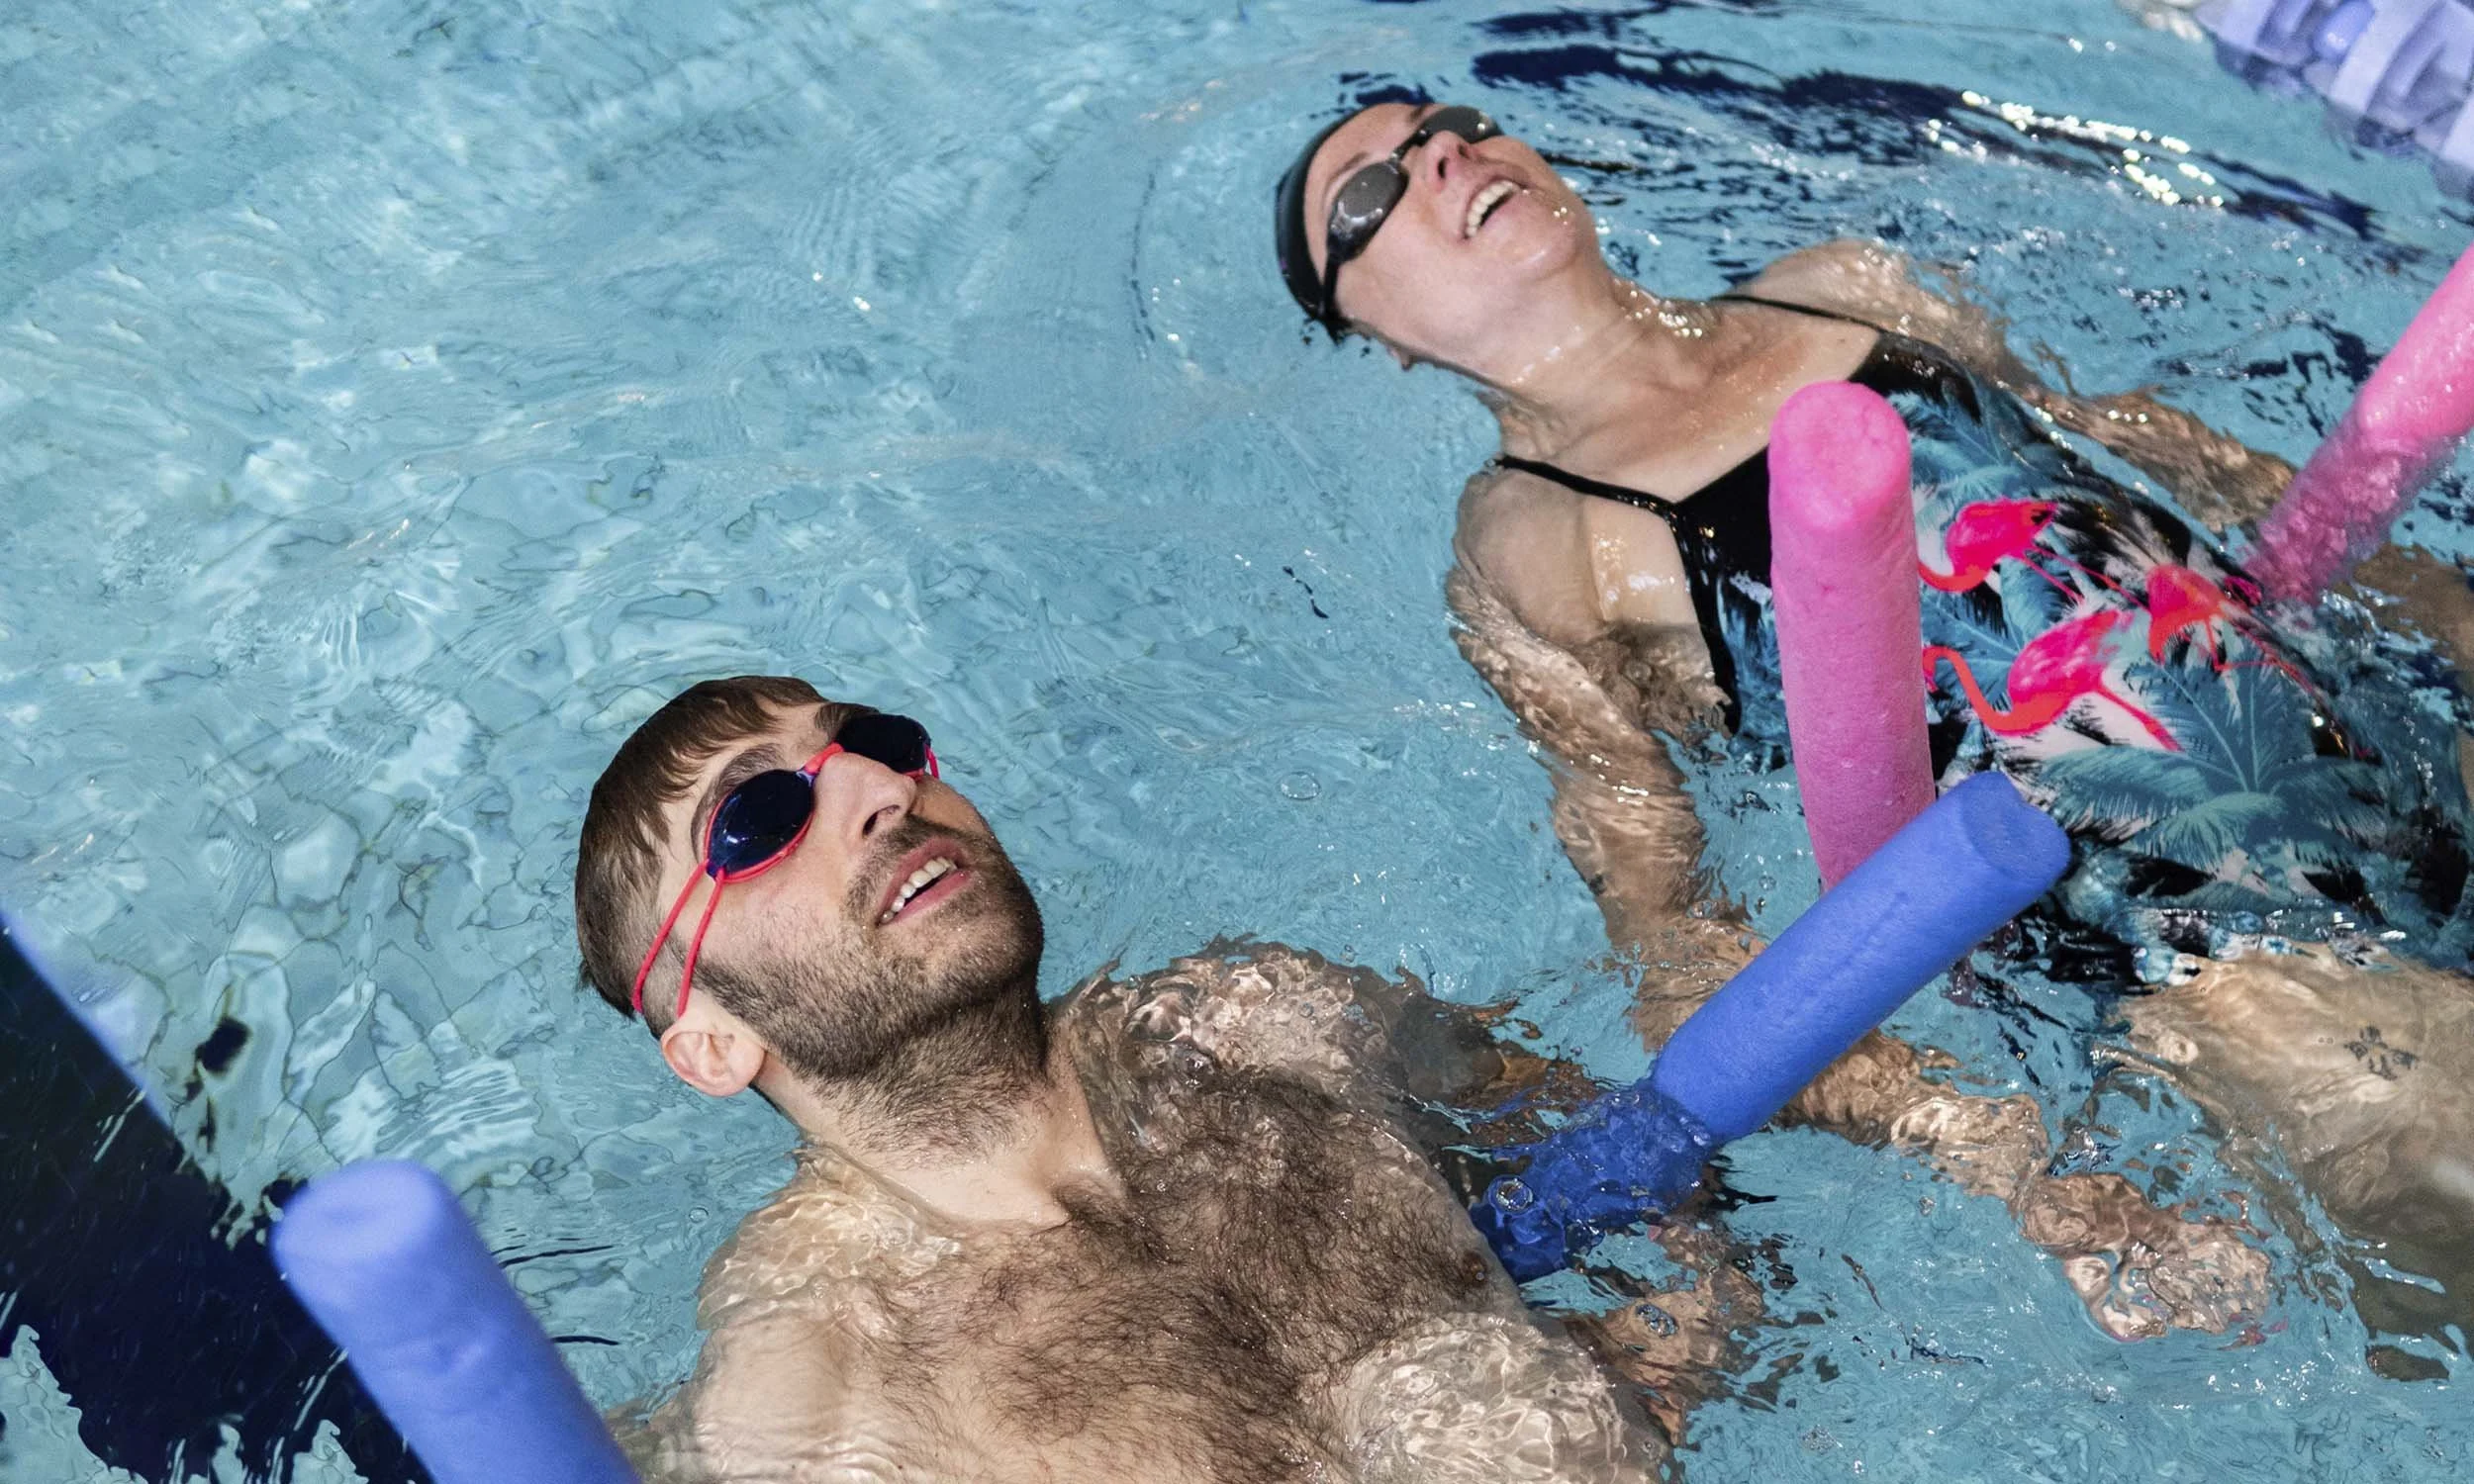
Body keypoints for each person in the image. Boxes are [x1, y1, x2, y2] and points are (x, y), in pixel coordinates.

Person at [1272, 100, 2474, 1342]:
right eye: (1367, 194)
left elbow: (2171, 456)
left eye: (1448, 122)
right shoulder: (1538, 548)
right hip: (2204, 956)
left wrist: (2455, 622)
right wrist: (2022, 1170)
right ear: (1374, 336)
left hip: (2392, 747)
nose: (1440, 155)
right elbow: (1678, 948)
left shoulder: (1843, 290)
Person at [574, 676, 1661, 1480]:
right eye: (758, 819)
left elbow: (1621, 1142)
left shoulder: (1276, 1023)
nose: (882, 786)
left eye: (875, 741)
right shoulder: (807, 1396)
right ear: (712, 1043)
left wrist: (1671, 1350)